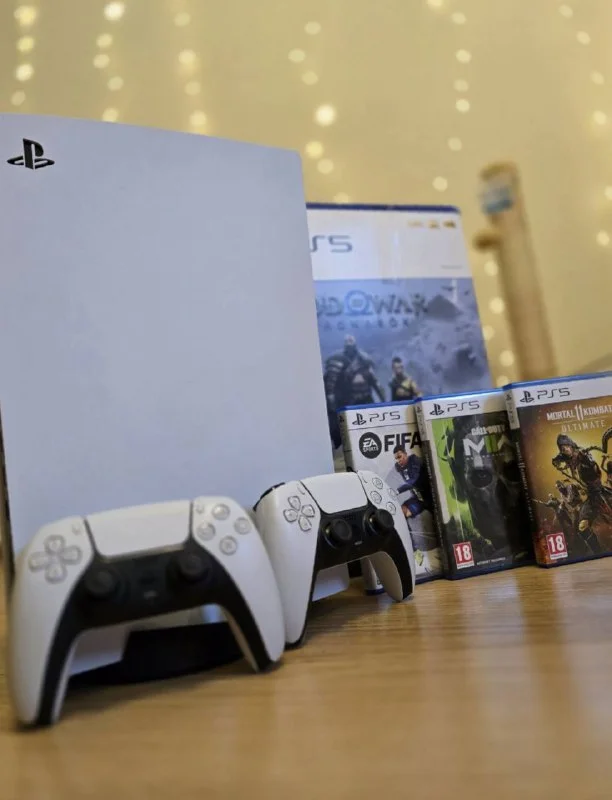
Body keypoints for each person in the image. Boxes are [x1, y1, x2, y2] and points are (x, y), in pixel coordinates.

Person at [552, 434, 612, 554]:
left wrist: (587, 461)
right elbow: (556, 460)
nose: (565, 450)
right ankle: (598, 553)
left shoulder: (582, 456)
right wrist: (556, 461)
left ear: (571, 445)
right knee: (582, 527)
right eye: (562, 449)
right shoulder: (567, 459)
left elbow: (595, 471)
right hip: (591, 498)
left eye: (566, 446)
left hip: (600, 493)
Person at [323, 335, 385, 447]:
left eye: (351, 342)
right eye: (348, 342)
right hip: (346, 402)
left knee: (369, 431)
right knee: (344, 433)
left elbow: (376, 383)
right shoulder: (336, 360)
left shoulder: (364, 360)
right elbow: (330, 386)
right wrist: (332, 404)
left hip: (364, 400)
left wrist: (384, 401)